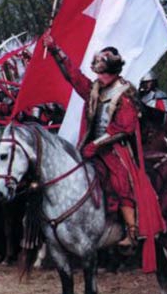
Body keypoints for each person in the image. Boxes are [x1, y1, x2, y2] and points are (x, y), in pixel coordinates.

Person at [42, 33, 142, 251]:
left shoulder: (125, 93)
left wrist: (96, 145)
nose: (99, 76)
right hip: (89, 146)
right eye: (98, 72)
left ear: (112, 72)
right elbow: (74, 77)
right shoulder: (95, 89)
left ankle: (131, 231)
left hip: (115, 149)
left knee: (120, 182)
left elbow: (124, 127)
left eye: (103, 73)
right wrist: (55, 50)